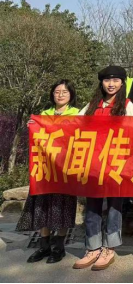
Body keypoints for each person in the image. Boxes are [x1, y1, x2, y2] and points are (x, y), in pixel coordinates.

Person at [74, 66, 133, 271]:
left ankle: (110, 248)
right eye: (107, 80)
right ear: (101, 83)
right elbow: (72, 124)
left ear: (122, 83)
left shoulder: (127, 105)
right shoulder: (92, 105)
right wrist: (42, 124)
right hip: (93, 163)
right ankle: (92, 248)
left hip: (116, 163)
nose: (111, 84)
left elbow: (131, 134)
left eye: (116, 80)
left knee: (114, 206)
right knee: (92, 206)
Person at [19, 80, 80, 265]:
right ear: (52, 94)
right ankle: (44, 246)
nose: (60, 95)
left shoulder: (78, 114)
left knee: (63, 207)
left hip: (65, 168)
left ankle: (59, 247)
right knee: (42, 206)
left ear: (71, 95)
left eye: (64, 92)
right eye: (57, 91)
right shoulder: (43, 115)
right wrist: (32, 125)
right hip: (45, 169)